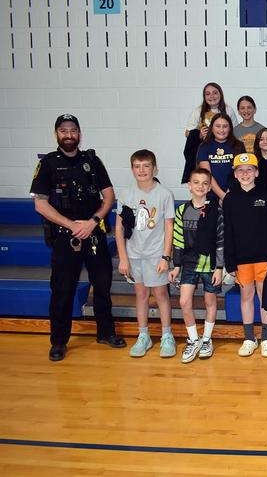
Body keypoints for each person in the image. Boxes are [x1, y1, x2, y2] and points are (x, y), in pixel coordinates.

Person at [31, 114, 126, 361]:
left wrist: (93, 221)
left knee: (103, 286)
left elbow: (109, 196)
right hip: (66, 237)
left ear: (79, 134)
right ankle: (58, 342)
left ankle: (106, 333)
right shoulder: (48, 164)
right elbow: (41, 205)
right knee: (62, 290)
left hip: (93, 233)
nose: (69, 134)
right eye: (64, 130)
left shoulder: (92, 161)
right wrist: (72, 225)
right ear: (57, 135)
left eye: (73, 130)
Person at [115, 150, 176, 358]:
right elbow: (119, 229)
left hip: (156, 255)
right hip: (133, 255)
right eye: (137, 166)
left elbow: (169, 228)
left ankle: (167, 335)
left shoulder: (164, 194)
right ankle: (144, 335)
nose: (142, 170)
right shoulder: (125, 195)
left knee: (160, 295)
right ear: (132, 170)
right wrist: (123, 257)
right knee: (141, 295)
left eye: (146, 165)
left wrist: (165, 257)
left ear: (155, 168)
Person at [224, 153, 267, 358]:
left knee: (263, 295)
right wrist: (229, 261)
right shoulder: (229, 199)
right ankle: (249, 337)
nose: (245, 173)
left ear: (256, 172)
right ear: (235, 173)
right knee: (246, 296)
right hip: (241, 259)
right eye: (240, 170)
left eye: (249, 169)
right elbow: (228, 232)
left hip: (265, 257)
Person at [169, 168, 224, 363]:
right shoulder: (182, 210)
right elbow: (177, 240)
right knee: (184, 301)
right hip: (189, 263)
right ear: (189, 185)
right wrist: (176, 266)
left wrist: (219, 267)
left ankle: (207, 339)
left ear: (209, 187)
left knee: (210, 302)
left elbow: (220, 241)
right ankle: (194, 340)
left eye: (204, 183)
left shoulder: (216, 211)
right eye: (196, 182)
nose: (200, 186)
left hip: (210, 265)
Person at [182, 83, 238, 183]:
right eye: (207, 94)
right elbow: (187, 133)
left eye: (215, 93)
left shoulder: (228, 110)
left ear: (220, 94)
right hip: (205, 152)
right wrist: (199, 134)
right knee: (204, 180)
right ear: (204, 97)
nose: (211, 96)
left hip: (223, 152)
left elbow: (235, 131)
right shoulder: (198, 111)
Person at [196, 113, 245, 204]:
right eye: (218, 126)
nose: (221, 130)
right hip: (210, 196)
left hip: (234, 194)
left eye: (225, 126)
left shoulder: (239, 146)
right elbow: (207, 175)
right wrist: (223, 196)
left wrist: (228, 195)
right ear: (212, 128)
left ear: (230, 128)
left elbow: (241, 172)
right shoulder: (204, 147)